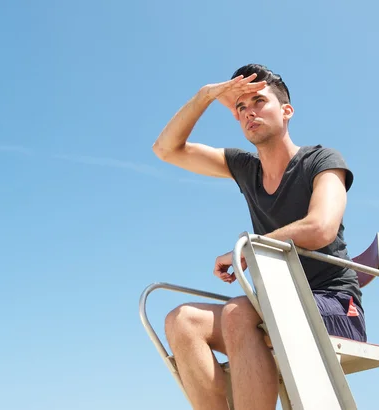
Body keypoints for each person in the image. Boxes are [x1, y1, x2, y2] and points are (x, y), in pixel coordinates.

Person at [152, 63, 366, 410]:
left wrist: (249, 249)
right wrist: (206, 95)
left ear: (286, 111)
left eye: (259, 102)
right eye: (241, 107)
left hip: (335, 306)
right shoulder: (245, 168)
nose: (249, 112)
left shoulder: (323, 160)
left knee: (239, 312)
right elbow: (166, 150)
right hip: (272, 308)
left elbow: (320, 227)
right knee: (182, 321)